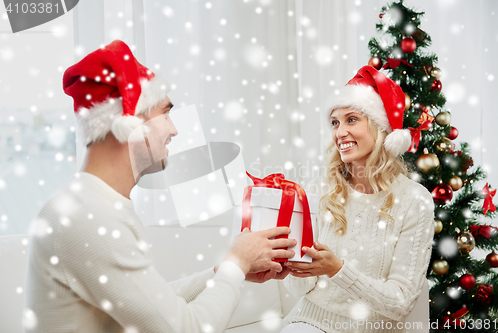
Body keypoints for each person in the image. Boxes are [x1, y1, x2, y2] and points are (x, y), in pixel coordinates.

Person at [24, 40, 295, 333]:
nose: (174, 129)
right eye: (165, 114)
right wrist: (236, 262)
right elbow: (185, 328)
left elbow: (154, 305)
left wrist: (223, 272)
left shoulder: (93, 204)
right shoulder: (88, 217)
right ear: (129, 123)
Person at [280, 66, 435, 333]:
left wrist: (337, 269)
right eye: (335, 122)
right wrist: (295, 266)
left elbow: (401, 302)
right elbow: (297, 289)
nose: (340, 133)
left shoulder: (414, 201)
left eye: (351, 120)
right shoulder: (320, 189)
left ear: (379, 128)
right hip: (309, 322)